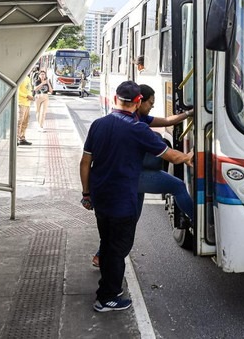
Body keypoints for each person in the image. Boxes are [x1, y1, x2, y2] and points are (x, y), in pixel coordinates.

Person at [80, 81, 192, 313]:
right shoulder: (137, 129)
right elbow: (169, 155)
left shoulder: (98, 124)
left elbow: (85, 162)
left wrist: (86, 193)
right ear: (139, 102)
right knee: (118, 248)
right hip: (122, 199)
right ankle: (107, 298)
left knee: (109, 242)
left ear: (115, 100)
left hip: (100, 195)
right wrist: (188, 157)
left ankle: (109, 288)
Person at [17, 74, 34, 146]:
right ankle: (16, 139)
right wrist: (27, 96)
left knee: (25, 122)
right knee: (19, 122)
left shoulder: (28, 78)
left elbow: (29, 90)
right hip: (21, 103)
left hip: (27, 103)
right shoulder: (20, 77)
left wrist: (31, 96)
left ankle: (22, 138)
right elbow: (17, 90)